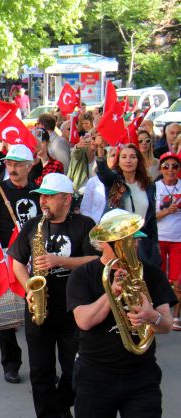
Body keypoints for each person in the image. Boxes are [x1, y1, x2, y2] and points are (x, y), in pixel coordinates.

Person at [67, 210, 176, 418]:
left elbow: (167, 325)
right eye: (124, 240)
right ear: (104, 243)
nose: (133, 244)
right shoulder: (83, 275)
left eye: (133, 238)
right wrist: (111, 293)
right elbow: (84, 321)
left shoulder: (151, 273)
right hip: (95, 374)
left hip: (142, 375)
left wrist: (152, 317)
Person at [8, 173, 99, 418]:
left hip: (74, 309)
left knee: (75, 370)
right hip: (40, 308)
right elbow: (16, 262)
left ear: (67, 199)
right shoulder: (33, 225)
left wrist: (60, 261)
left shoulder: (85, 225)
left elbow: (96, 260)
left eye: (49, 197)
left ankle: (59, 407)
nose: (43, 202)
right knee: (40, 372)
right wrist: (29, 289)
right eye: (41, 197)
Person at [0, 144, 40, 384]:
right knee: (4, 314)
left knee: (38, 314)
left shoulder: (39, 191)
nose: (12, 169)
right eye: (9, 164)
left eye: (18, 164)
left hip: (36, 258)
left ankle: (40, 366)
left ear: (29, 166)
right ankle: (11, 365)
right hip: (6, 258)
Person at [95, 141, 160, 266]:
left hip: (141, 242)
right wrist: (100, 149)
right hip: (117, 240)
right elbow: (102, 171)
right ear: (118, 161)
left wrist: (156, 244)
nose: (128, 160)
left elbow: (152, 219)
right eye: (124, 157)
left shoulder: (149, 186)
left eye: (132, 157)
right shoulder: (113, 181)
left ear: (138, 160)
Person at [155, 152, 181, 330]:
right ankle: (158, 315)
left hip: (178, 240)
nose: (170, 170)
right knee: (158, 279)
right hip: (158, 239)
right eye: (166, 166)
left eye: (174, 166)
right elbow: (148, 217)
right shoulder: (154, 187)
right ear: (160, 169)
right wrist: (167, 211)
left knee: (178, 281)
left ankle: (176, 317)